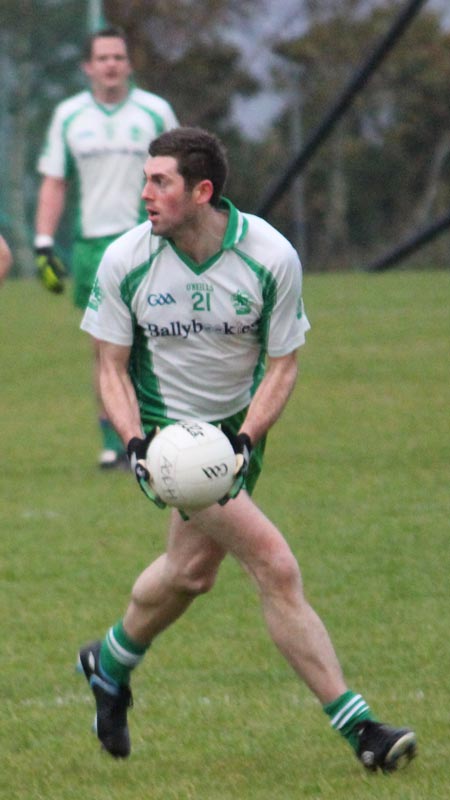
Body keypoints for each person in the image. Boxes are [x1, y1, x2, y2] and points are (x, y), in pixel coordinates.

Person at [78, 127, 417, 772]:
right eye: (145, 179)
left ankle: (110, 662)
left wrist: (242, 442)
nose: (144, 192)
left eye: (160, 182)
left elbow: (283, 365)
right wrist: (136, 446)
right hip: (170, 437)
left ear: (201, 191)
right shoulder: (126, 258)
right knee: (274, 564)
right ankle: (362, 730)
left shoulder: (270, 256)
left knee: (191, 573)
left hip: (236, 433)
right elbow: (111, 366)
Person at [34, 26, 179, 468]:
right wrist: (43, 243)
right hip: (93, 247)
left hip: (151, 241)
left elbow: (181, 172)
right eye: (103, 58)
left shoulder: (155, 112)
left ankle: (167, 432)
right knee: (105, 347)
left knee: (161, 339)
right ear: (88, 67)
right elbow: (55, 181)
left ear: (129, 63)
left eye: (118, 57)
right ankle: (115, 443)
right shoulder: (70, 116)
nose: (111, 65)